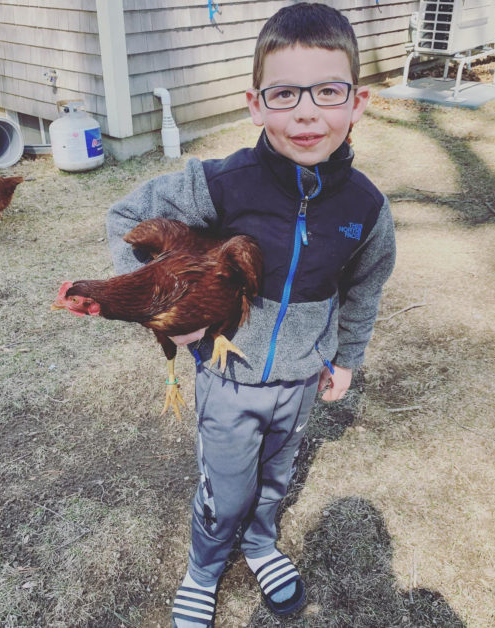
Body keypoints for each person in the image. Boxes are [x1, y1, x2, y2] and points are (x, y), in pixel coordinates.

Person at [106, 3, 396, 626]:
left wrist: (346, 358)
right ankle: (204, 567)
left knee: (276, 475)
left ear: (358, 102)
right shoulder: (222, 183)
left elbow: (366, 288)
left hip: (299, 383)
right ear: (255, 103)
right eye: (284, 93)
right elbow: (126, 222)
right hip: (227, 381)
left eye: (328, 91)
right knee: (226, 485)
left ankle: (261, 543)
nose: (307, 111)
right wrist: (166, 308)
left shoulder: (367, 207)